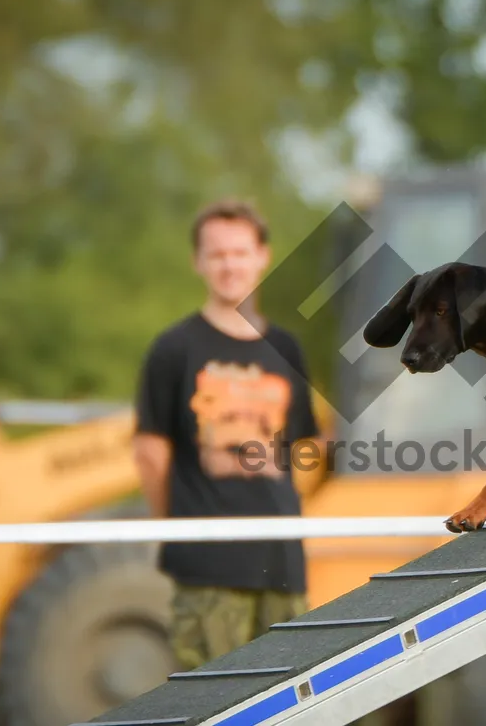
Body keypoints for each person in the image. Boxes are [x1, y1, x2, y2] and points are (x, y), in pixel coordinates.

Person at [132, 198, 319, 671]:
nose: (229, 265)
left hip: (282, 565)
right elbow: (151, 453)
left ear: (262, 256)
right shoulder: (174, 349)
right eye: (217, 254)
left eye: (239, 252)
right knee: (213, 704)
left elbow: (302, 452)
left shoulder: (286, 348)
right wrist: (173, 528)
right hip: (208, 567)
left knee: (294, 703)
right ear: (198, 261)